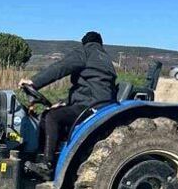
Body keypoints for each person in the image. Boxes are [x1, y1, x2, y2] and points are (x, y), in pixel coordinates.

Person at [19, 31, 117, 176]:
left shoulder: (86, 52)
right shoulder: (106, 60)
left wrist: (34, 82)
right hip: (101, 106)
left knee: (51, 116)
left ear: (85, 43)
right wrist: (63, 103)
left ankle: (47, 164)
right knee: (52, 113)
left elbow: (60, 67)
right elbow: (89, 88)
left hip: (89, 108)